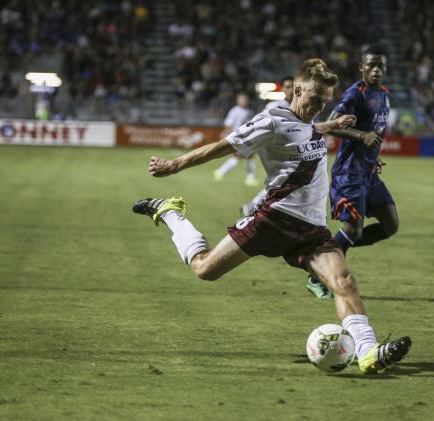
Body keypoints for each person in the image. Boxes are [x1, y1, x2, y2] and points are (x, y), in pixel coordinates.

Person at [132, 58, 411, 374]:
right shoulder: (271, 119)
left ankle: (368, 352)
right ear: (297, 89)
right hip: (273, 219)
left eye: (325, 100)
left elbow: (306, 129)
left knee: (343, 281)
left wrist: (332, 126)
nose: (320, 105)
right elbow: (224, 146)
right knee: (205, 269)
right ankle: (171, 213)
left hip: (312, 230)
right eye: (315, 98)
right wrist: (175, 165)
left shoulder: (308, 122)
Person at [306, 45, 399, 299]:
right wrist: (361, 135)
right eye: (371, 65)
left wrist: (373, 157)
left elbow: (375, 133)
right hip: (349, 174)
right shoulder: (355, 94)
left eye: (381, 66)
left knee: (390, 225)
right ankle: (318, 274)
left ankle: (330, 251)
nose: (376, 70)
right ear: (362, 67)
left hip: (369, 173)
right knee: (353, 228)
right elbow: (330, 124)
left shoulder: (384, 94)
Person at [240, 76, 295, 216]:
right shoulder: (274, 106)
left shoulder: (298, 106)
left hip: (289, 150)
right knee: (284, 180)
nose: (291, 90)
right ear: (282, 89)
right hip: (274, 149)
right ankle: (258, 208)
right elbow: (260, 124)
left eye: (293, 87)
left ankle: (253, 207)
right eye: (288, 87)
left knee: (282, 181)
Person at [213, 93, 258, 186]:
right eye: (241, 99)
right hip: (238, 137)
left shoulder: (249, 111)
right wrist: (230, 138)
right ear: (237, 101)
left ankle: (220, 172)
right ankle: (249, 179)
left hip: (246, 137)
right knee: (247, 156)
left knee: (247, 156)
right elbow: (228, 124)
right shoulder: (234, 111)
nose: (243, 101)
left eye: (244, 99)